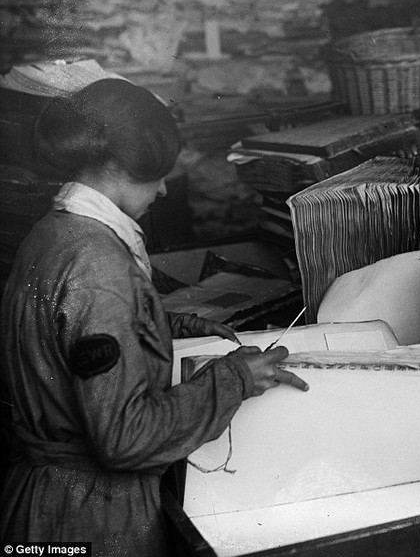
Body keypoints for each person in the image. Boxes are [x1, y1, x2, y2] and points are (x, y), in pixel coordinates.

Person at [0, 79, 309, 556]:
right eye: (160, 173)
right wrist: (235, 378)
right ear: (123, 164)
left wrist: (167, 324)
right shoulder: (99, 265)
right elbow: (125, 438)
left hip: (42, 503)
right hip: (94, 516)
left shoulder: (53, 232)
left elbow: (63, 333)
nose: (165, 188)